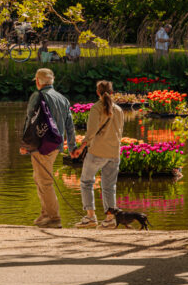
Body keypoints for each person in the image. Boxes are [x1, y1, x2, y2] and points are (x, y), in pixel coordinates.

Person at [19, 68, 75, 228]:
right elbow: (70, 125)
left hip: (40, 144)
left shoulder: (37, 96)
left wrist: (25, 144)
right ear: (52, 81)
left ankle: (53, 217)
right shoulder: (62, 98)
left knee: (44, 180)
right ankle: (45, 213)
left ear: (38, 81)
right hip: (55, 145)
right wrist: (72, 146)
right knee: (39, 178)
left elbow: (30, 121)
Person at [71, 80, 125, 228]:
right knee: (109, 186)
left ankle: (90, 217)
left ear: (97, 93)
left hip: (97, 152)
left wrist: (81, 147)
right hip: (114, 153)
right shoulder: (119, 110)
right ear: (112, 92)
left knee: (86, 182)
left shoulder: (96, 108)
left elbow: (91, 132)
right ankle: (110, 220)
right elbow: (120, 132)